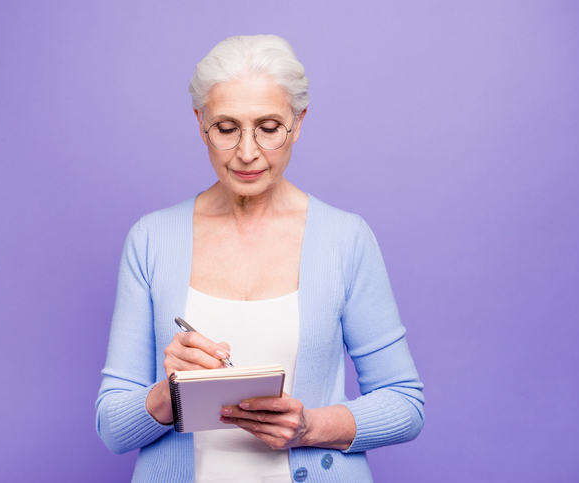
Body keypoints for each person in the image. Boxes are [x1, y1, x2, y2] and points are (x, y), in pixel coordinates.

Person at [96, 35, 424, 483]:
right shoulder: (151, 240)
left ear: (298, 122)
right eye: (227, 128)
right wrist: (169, 395)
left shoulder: (345, 239)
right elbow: (113, 428)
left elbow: (405, 401)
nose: (247, 153)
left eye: (268, 128)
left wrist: (310, 427)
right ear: (200, 123)